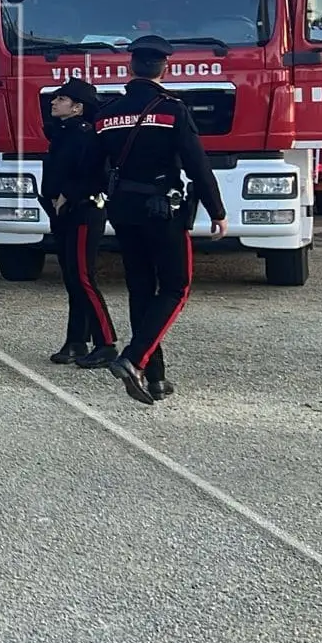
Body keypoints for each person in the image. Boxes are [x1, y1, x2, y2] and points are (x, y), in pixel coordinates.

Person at [94, 34, 226, 405]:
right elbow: (197, 166)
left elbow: (95, 165)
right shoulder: (172, 110)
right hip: (162, 211)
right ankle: (134, 360)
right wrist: (217, 211)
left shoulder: (105, 114)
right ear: (164, 68)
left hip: (122, 211)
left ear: (128, 67)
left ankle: (156, 379)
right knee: (175, 288)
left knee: (141, 289)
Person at [39, 77, 119, 368]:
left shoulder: (86, 135)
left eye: (61, 99)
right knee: (72, 278)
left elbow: (95, 175)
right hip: (64, 214)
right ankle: (76, 341)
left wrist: (66, 195)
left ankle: (106, 342)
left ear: (77, 107)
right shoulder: (63, 133)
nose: (53, 102)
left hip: (84, 211)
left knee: (85, 278)